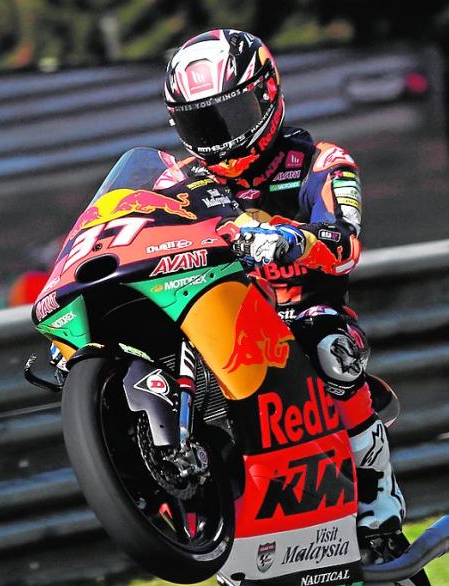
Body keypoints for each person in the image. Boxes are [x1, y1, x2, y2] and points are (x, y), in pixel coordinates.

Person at [163, 28, 405, 535]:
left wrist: (295, 239)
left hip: (300, 315)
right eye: (200, 123)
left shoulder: (322, 162)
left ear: (267, 97)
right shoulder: (180, 182)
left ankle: (378, 502)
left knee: (332, 349)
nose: (220, 136)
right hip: (214, 317)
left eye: (230, 116)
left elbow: (346, 244)